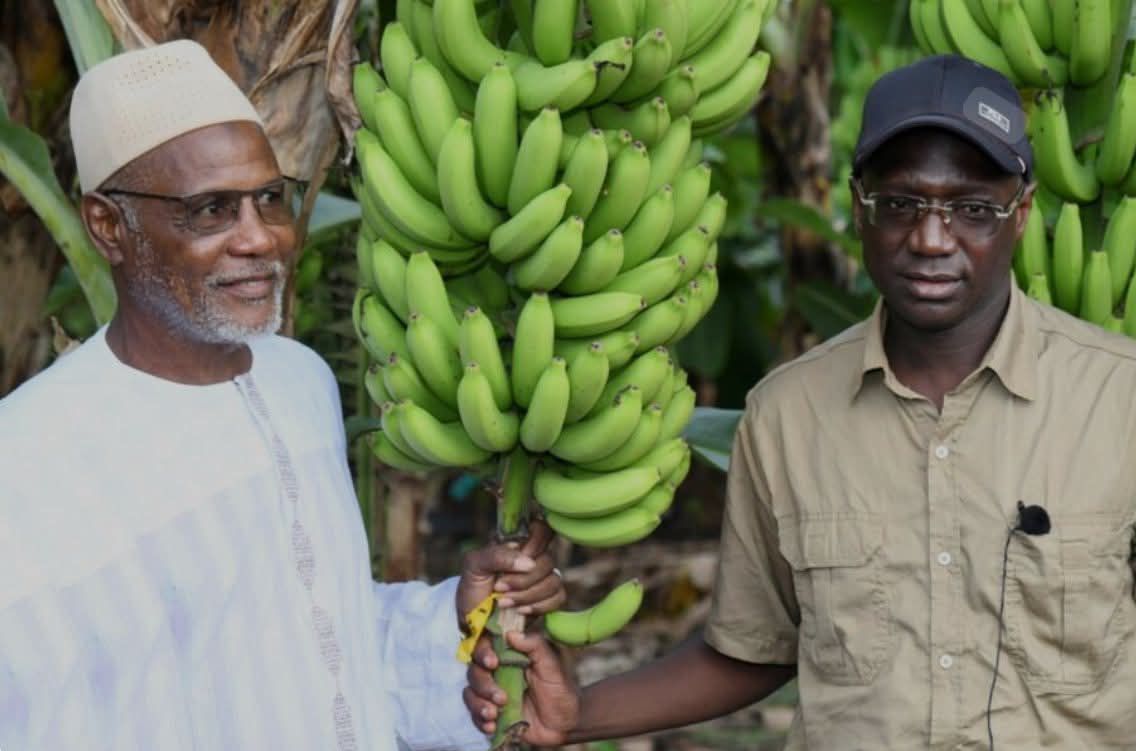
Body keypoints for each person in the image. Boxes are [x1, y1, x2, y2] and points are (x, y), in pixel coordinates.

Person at [464, 54, 1136, 749]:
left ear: (1019, 214)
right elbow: (753, 645)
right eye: (901, 203)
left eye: (972, 209)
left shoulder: (1119, 400)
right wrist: (576, 714)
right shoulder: (788, 414)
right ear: (856, 205)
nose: (932, 239)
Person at [0, 40, 565, 750]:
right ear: (109, 227)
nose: (261, 238)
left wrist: (454, 612)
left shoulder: (298, 382)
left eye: (271, 198)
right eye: (211, 210)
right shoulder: (25, 465)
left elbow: (316, 643)